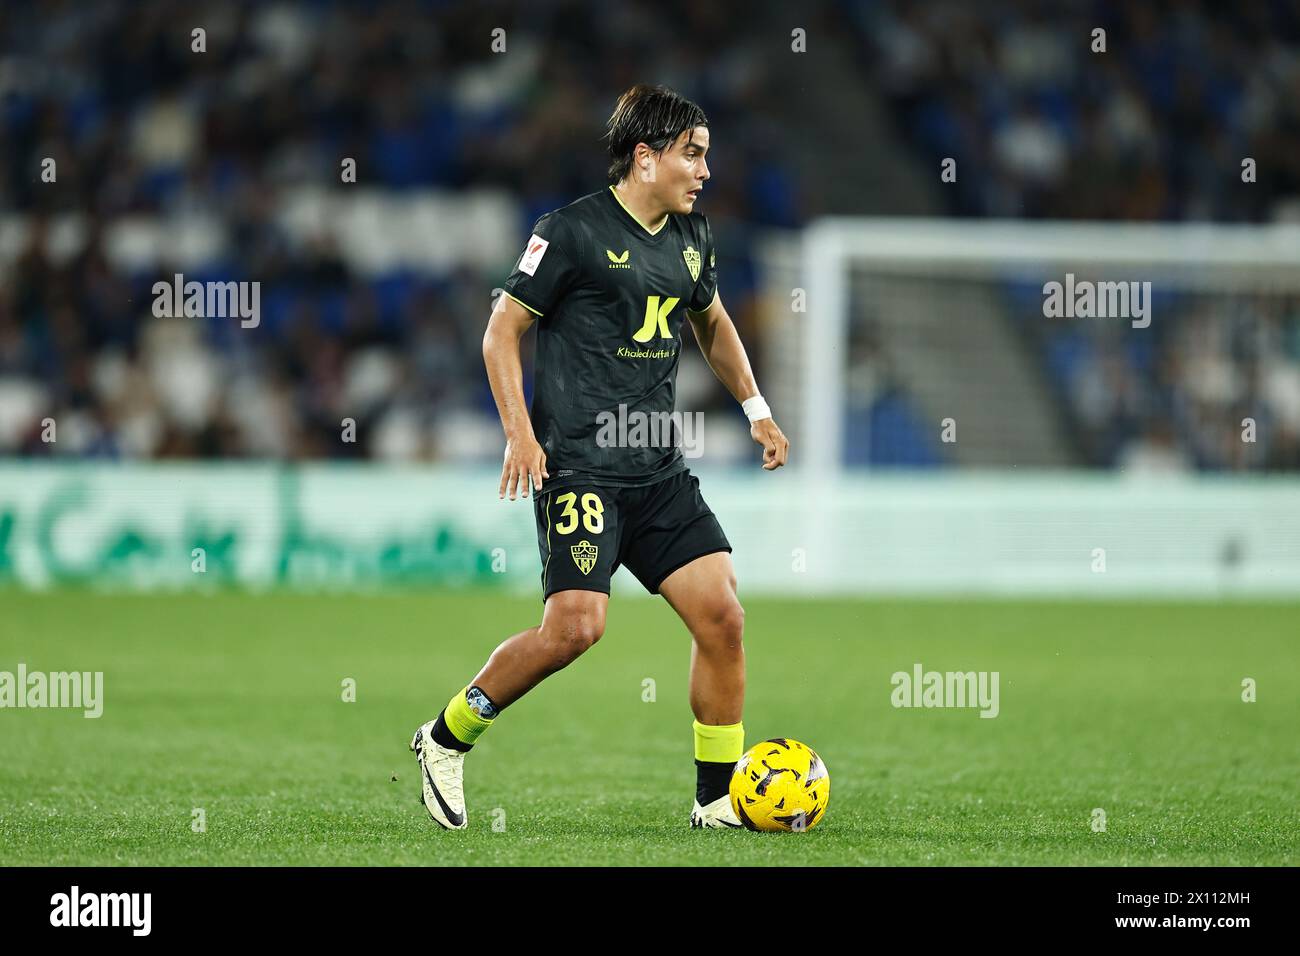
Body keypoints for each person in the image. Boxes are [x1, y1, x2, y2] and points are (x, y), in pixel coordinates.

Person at [411, 84, 789, 830]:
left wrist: (758, 409)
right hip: (580, 466)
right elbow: (500, 333)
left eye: (706, 156)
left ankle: (714, 799)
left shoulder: (694, 237)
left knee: (723, 617)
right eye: (693, 155)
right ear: (645, 158)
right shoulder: (571, 231)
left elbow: (711, 324)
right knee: (576, 629)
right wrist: (519, 432)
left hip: (656, 467)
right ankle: (446, 737)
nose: (705, 172)